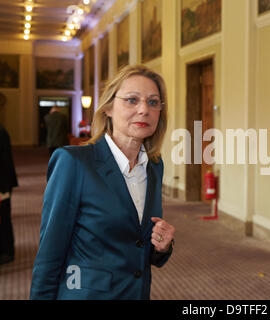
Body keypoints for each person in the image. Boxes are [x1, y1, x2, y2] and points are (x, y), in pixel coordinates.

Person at [30, 65, 175, 299]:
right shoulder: (74, 163)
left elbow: (138, 245)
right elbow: (50, 254)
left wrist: (162, 247)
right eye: (131, 100)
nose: (143, 110)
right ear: (108, 107)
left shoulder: (154, 167)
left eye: (153, 102)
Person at [0, 124, 18, 265]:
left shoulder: (1, 132)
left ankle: (7, 251)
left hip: (2, 184)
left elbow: (4, 162)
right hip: (4, 183)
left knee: (4, 218)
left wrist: (3, 188)